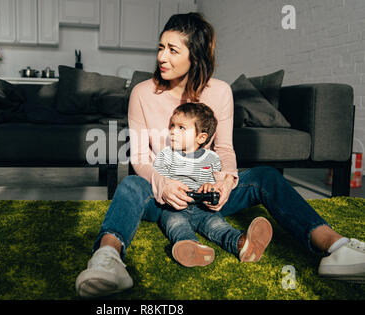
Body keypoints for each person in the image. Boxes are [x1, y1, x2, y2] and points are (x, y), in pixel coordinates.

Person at [75, 12, 365, 298]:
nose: (162, 57)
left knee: (265, 176)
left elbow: (224, 149)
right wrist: (163, 185)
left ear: (196, 55)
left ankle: (334, 247)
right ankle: (107, 259)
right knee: (130, 185)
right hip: (161, 198)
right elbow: (139, 156)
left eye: (173, 50)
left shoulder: (220, 92)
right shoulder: (142, 93)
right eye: (161, 47)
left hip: (206, 193)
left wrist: (225, 181)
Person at [154, 102, 272, 267]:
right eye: (172, 126)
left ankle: (242, 243)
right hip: (176, 207)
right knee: (176, 225)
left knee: (218, 225)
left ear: (201, 137)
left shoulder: (211, 158)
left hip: (203, 208)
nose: (173, 131)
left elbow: (214, 180)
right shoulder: (166, 155)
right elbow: (159, 179)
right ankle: (191, 248)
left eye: (181, 128)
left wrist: (210, 187)